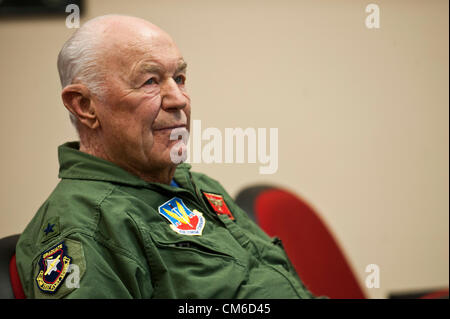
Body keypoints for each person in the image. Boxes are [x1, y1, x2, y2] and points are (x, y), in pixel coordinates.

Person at [16, 15, 316, 299]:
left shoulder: (198, 184)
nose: (179, 99)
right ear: (84, 105)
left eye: (180, 77)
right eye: (150, 81)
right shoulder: (85, 226)